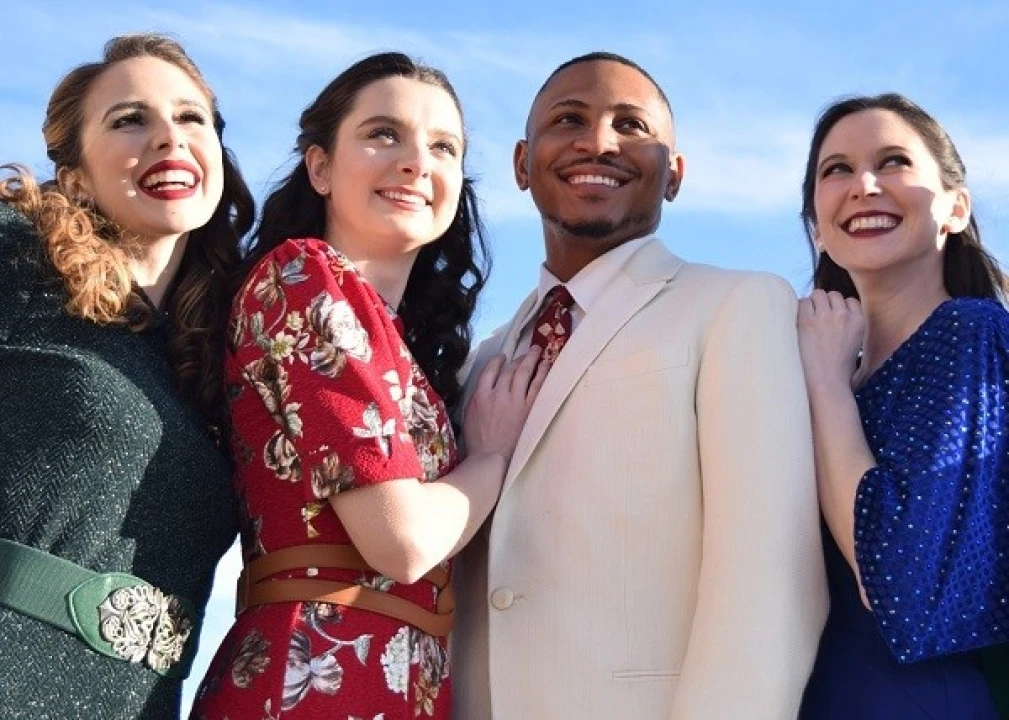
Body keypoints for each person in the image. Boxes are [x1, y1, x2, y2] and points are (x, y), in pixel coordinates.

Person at [450, 51, 828, 719]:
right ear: (521, 163)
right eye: (568, 119)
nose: (598, 142)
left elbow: (769, 578)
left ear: (673, 174)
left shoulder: (738, 306)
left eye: (630, 125)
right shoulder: (479, 363)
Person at [190, 53, 545, 719]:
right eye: (384, 134)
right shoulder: (302, 274)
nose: (415, 162)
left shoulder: (401, 342)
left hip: (401, 685)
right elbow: (402, 542)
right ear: (320, 167)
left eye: (442, 147)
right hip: (310, 681)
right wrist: (492, 456)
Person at [0, 34, 253, 719]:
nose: (169, 136)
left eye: (191, 117)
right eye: (129, 120)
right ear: (76, 177)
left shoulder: (228, 353)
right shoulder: (18, 259)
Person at [795, 92, 1009, 719]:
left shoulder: (970, 333)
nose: (863, 185)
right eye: (836, 169)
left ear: (954, 209)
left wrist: (826, 384)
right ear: (817, 227)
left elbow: (900, 585)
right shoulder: (823, 364)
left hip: (914, 699)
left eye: (893, 162)